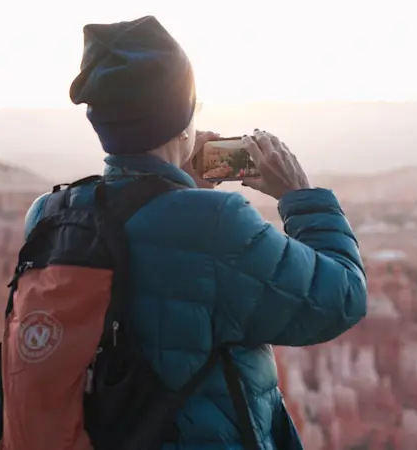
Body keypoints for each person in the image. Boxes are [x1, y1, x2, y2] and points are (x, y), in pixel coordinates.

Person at [23, 16, 367, 449]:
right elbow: (340, 297)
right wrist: (301, 197)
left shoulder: (49, 213)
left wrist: (180, 191)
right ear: (182, 121)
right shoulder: (214, 222)